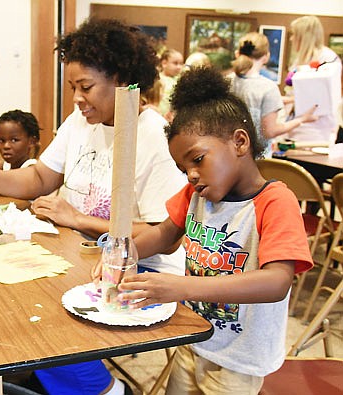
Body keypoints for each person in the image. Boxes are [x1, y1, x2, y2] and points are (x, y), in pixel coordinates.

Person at [0, 18, 186, 394]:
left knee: (40, 307)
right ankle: (49, 376)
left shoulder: (153, 137)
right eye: (72, 87)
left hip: (134, 267)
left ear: (122, 79)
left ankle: (104, 390)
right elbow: (41, 178)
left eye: (86, 87)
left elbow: (167, 237)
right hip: (76, 249)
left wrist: (79, 218)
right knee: (1, 284)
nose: (77, 98)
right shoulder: (80, 121)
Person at [97, 67, 313, 394]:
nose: (191, 175)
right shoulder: (195, 195)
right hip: (196, 338)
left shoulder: (275, 202)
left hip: (238, 359)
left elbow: (277, 281)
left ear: (240, 142)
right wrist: (123, 253)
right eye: (184, 168)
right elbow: (165, 234)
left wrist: (181, 287)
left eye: (197, 159)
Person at [230, 32, 317, 153]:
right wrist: (302, 119)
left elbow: (251, 99)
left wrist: (292, 100)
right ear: (266, 57)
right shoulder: (268, 88)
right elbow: (270, 132)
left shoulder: (227, 82)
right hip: (256, 159)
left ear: (237, 53)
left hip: (228, 156)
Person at [284, 15, 342, 143]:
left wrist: (289, 99)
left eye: (294, 34)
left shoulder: (328, 59)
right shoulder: (299, 60)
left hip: (316, 130)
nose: (292, 39)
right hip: (295, 126)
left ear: (304, 36)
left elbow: (322, 96)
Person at [158, 49, 184, 118]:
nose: (179, 67)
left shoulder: (180, 80)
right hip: (159, 114)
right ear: (164, 63)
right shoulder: (158, 79)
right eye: (175, 63)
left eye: (181, 63)